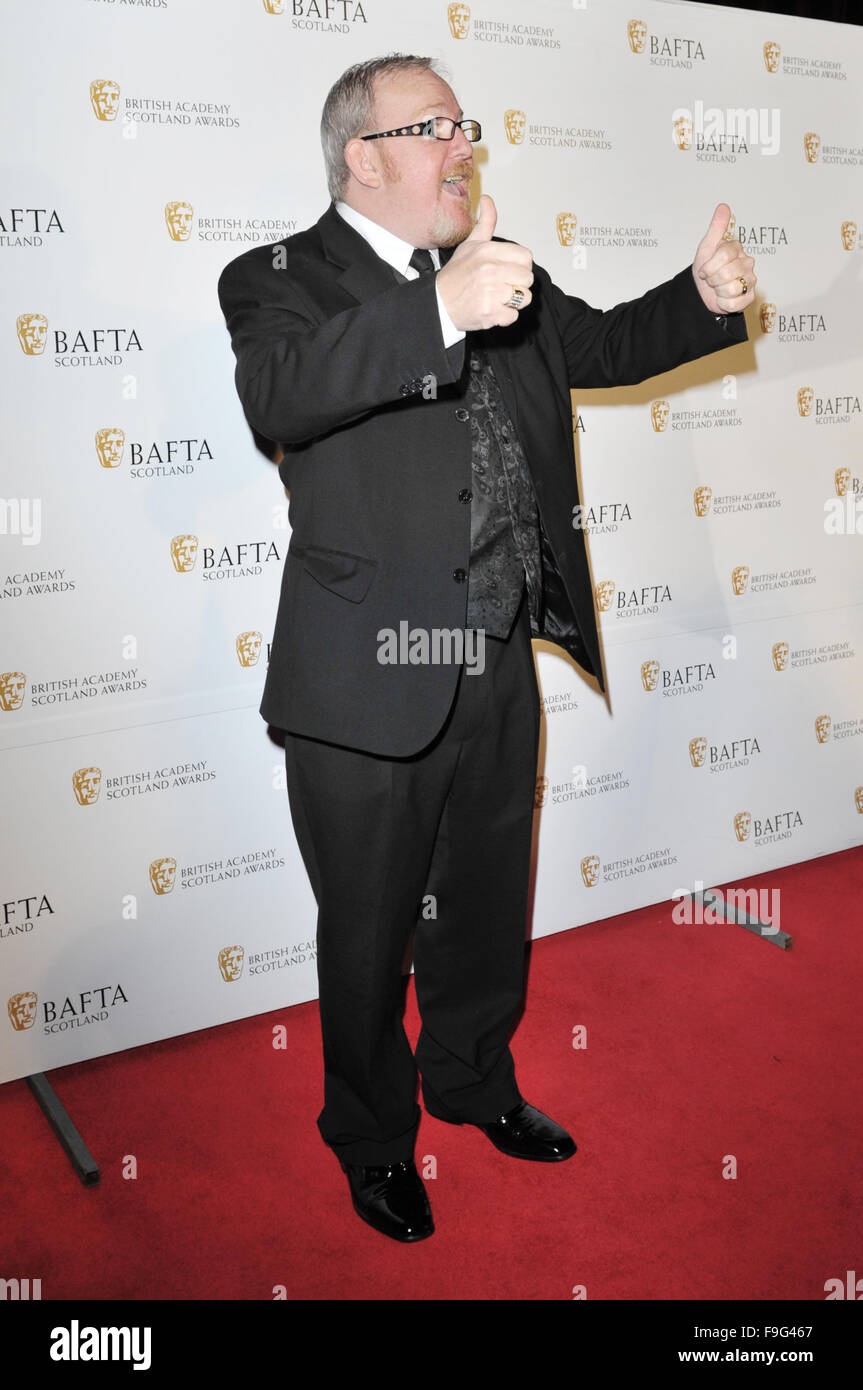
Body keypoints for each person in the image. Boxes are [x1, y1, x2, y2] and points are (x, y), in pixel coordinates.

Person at [217, 53, 756, 1243]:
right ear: (364, 154)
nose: (464, 146)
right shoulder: (278, 279)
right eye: (436, 127)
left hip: (497, 656)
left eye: (467, 125)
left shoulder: (497, 275)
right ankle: (369, 1136)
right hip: (361, 680)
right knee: (364, 932)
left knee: (479, 907)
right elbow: (281, 394)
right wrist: (436, 309)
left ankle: (471, 1080)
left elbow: (602, 346)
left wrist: (703, 295)